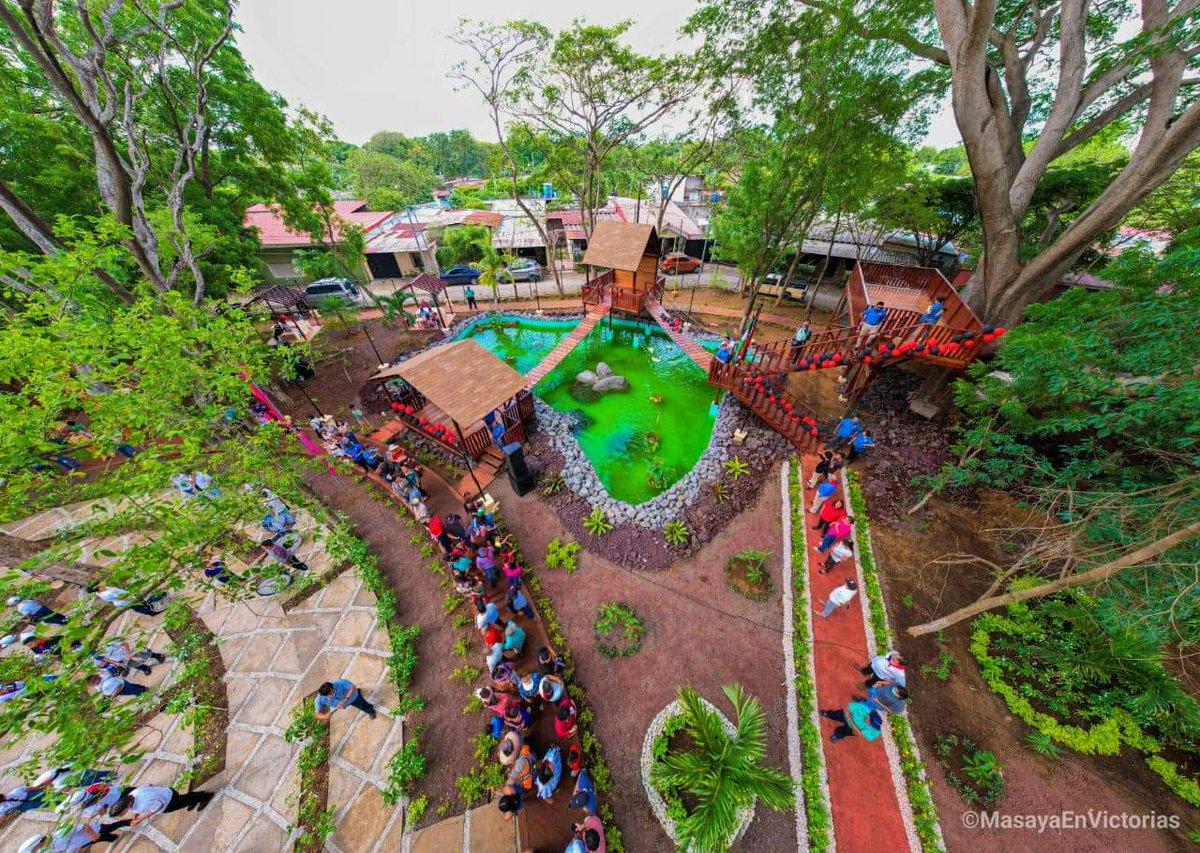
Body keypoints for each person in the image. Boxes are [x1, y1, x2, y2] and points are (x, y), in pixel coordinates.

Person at [106, 785, 214, 827]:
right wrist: (136, 814)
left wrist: (141, 819)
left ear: (127, 805)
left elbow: (157, 806)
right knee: (184, 800)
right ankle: (193, 800)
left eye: (122, 813)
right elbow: (149, 786)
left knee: (184, 800)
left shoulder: (144, 802)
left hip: (169, 801)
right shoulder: (132, 795)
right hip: (165, 792)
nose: (124, 814)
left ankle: (205, 796)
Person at [819, 701, 883, 743]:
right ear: (869, 716)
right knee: (836, 714)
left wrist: (850, 720)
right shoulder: (863, 708)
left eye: (872, 725)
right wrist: (847, 715)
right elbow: (846, 707)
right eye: (870, 723)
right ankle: (829, 714)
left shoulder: (875, 731)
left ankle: (838, 735)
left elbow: (858, 734)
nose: (870, 725)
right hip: (847, 716)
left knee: (847, 732)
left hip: (852, 727)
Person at [97, 641, 165, 677]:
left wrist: (128, 653)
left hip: (129, 651)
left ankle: (158, 656)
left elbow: (125, 643)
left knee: (142, 654)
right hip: (124, 659)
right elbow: (108, 662)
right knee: (132, 664)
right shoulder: (101, 657)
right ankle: (145, 668)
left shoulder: (108, 645)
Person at [16, 824, 100, 853]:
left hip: (99, 832)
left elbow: (84, 826)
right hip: (88, 843)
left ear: (38, 844)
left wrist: (93, 834)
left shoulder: (60, 834)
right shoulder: (48, 849)